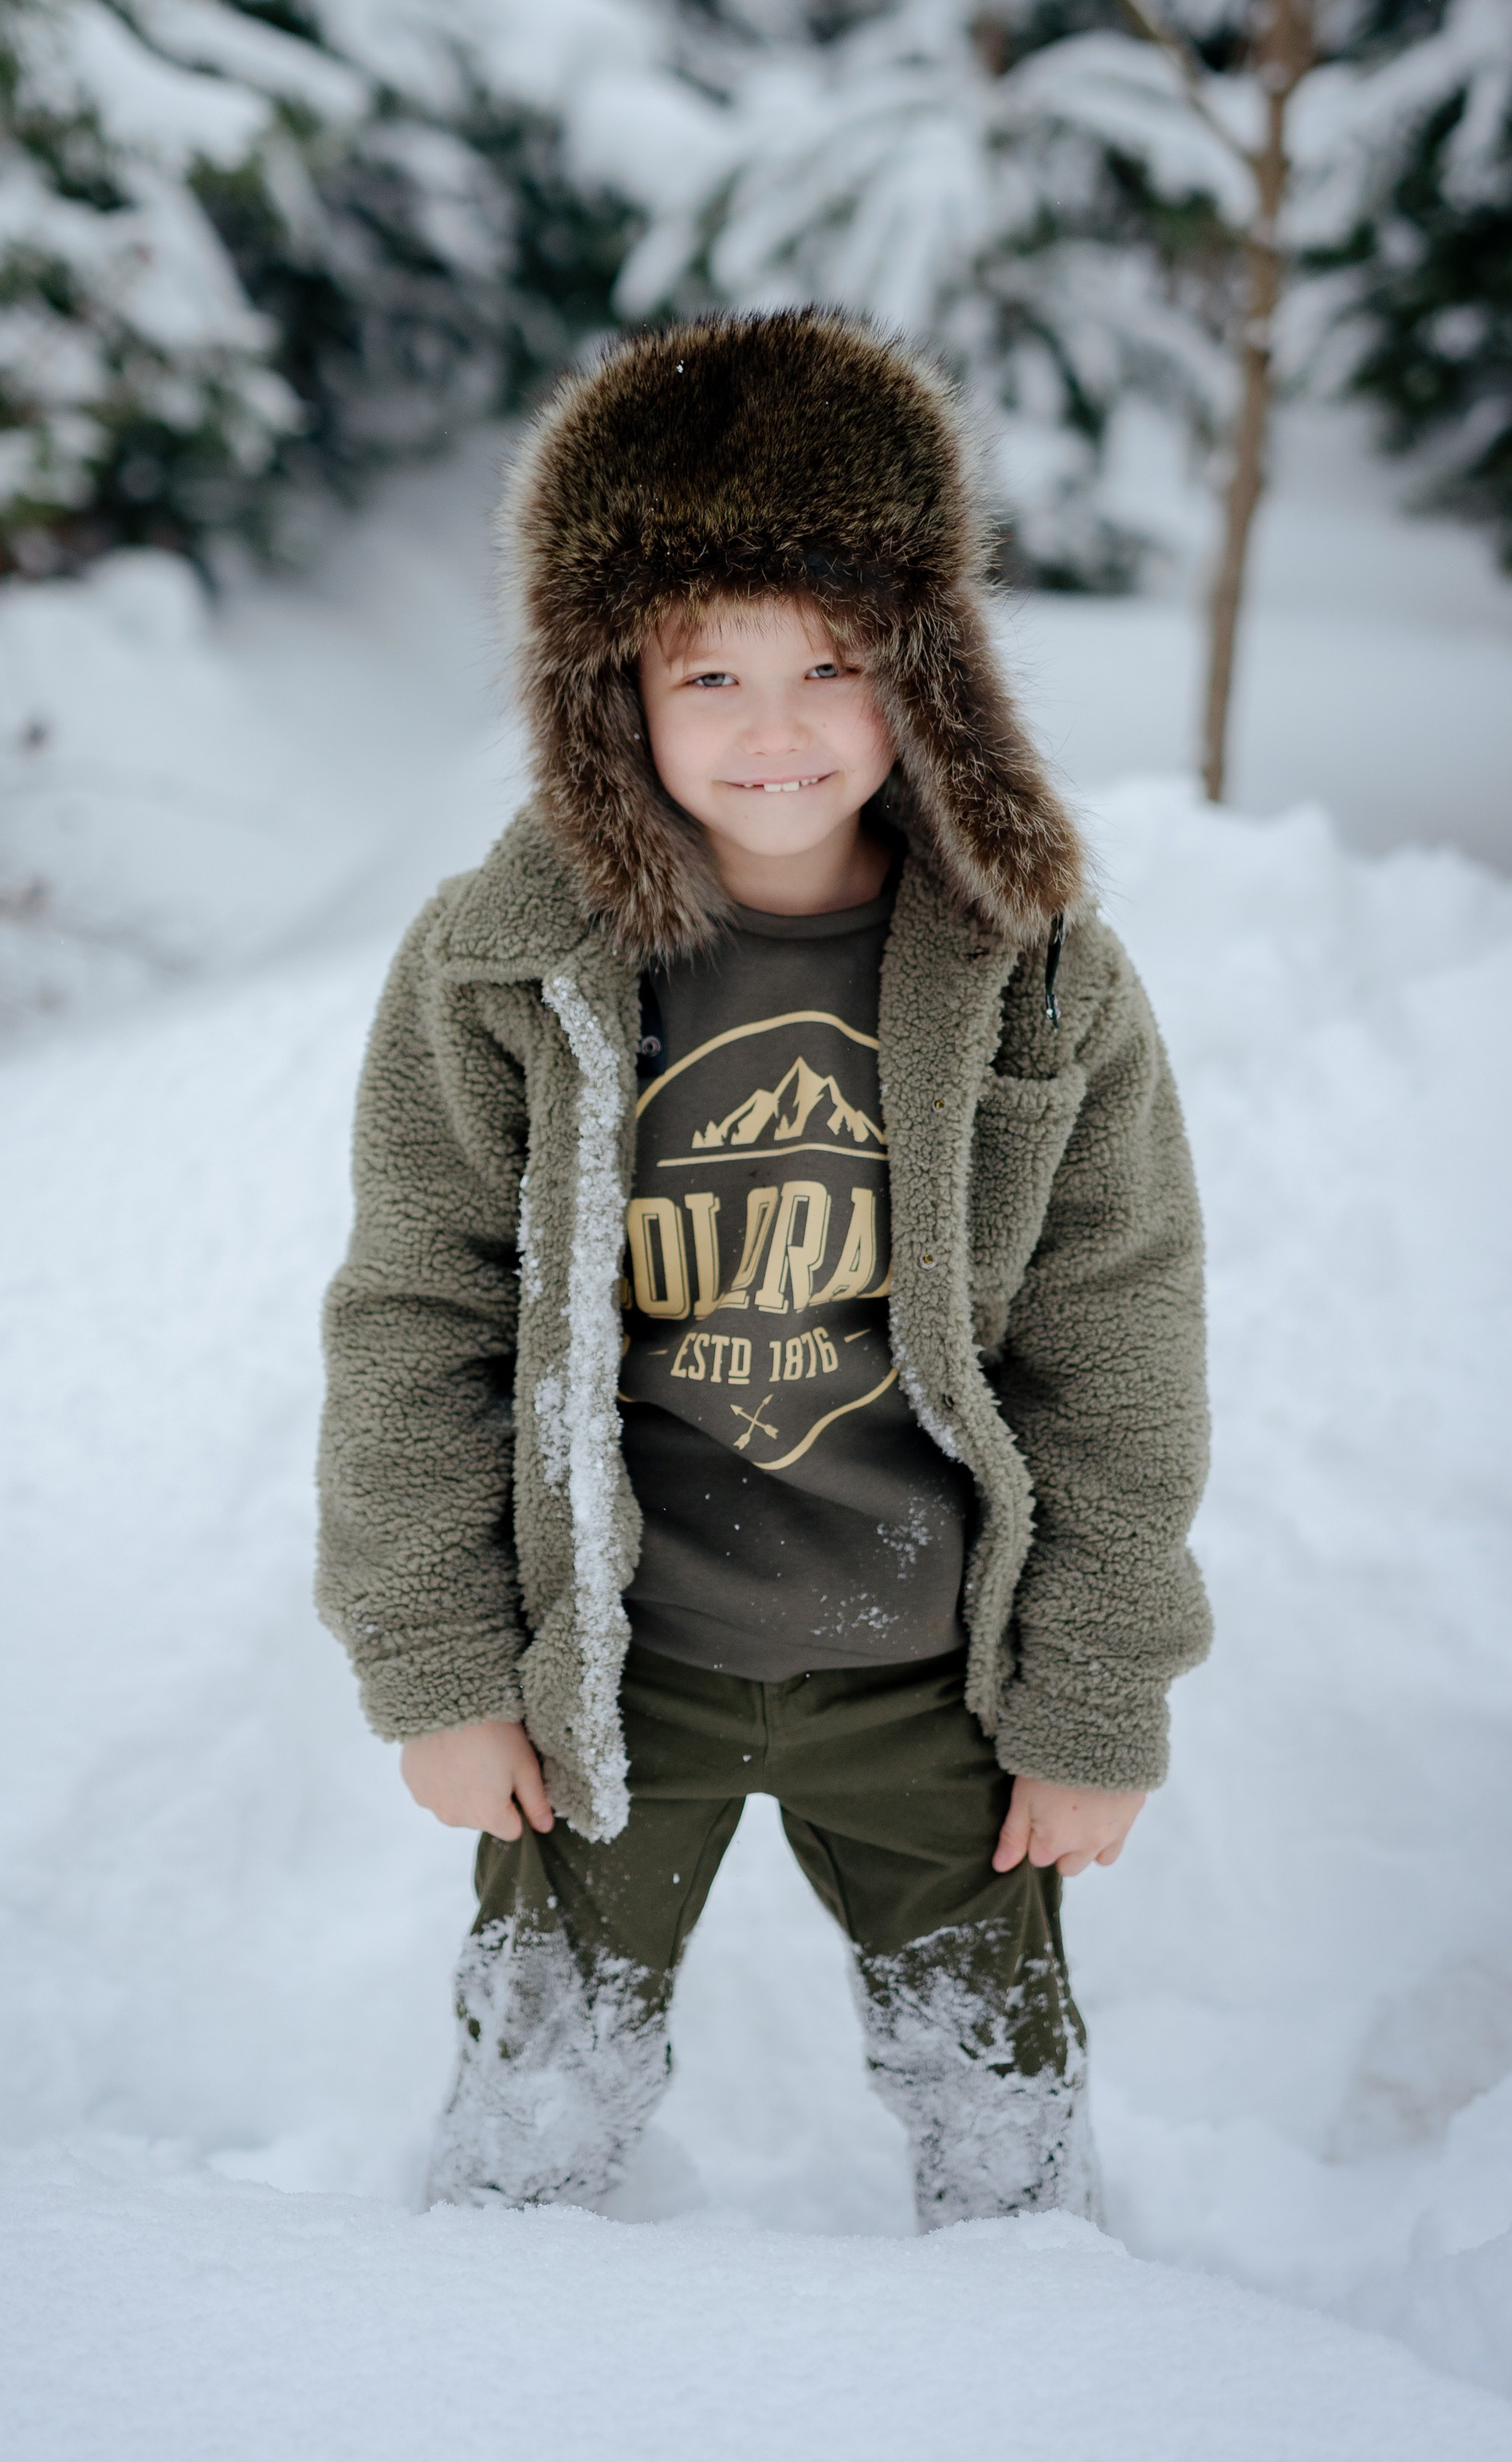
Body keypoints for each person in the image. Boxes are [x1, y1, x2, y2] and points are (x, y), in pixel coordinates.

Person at [316, 308, 1211, 2225]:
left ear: (924, 675)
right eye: (707, 671)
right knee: (530, 2119)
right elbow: (415, 1320)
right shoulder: (499, 967)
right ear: (606, 693)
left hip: (926, 1678)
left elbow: (1115, 1343)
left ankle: (1036, 2357)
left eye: (830, 662)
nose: (775, 726)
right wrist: (437, 1670)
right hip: (607, 1674)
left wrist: (1090, 1702)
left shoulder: (1035, 975)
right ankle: (472, 2349)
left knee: (1003, 2139)